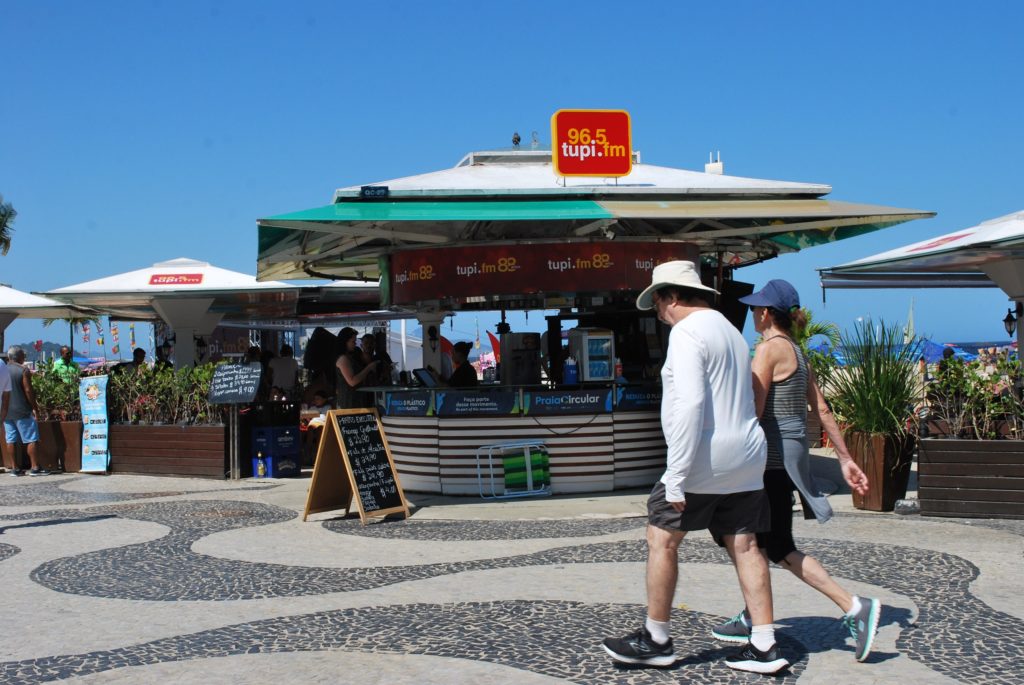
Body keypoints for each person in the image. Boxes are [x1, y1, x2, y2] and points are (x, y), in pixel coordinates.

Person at [602, 260, 788, 675]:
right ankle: (764, 645)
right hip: (746, 456)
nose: (659, 314)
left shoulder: (686, 333)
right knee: (746, 545)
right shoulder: (731, 331)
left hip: (703, 457)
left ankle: (657, 638)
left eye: (658, 304)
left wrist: (676, 476)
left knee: (662, 539)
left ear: (671, 297)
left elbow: (689, 405)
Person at [710, 279, 879, 662]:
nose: (752, 313)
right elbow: (821, 410)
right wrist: (845, 457)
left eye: (756, 309)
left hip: (769, 460)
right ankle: (754, 614)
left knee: (759, 541)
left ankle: (853, 607)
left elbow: (753, 409)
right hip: (790, 456)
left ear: (767, 313)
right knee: (757, 540)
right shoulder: (799, 353)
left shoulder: (768, 349)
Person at [3, 347, 49, 476]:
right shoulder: (23, 370)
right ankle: (35, 467)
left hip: (6, 412)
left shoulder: (3, 370)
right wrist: (35, 407)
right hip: (22, 410)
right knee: (31, 438)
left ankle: (14, 468)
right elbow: (28, 390)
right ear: (20, 357)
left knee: (10, 439)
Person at [335, 327, 378, 409]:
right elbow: (352, 381)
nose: (355, 344)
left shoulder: (349, 357)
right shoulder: (343, 359)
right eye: (353, 341)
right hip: (348, 403)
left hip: (355, 401)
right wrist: (369, 368)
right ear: (345, 342)